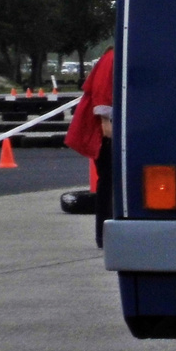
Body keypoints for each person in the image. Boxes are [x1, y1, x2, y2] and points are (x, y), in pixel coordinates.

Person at [65, 48, 115, 246]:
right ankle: (105, 235)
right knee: (109, 182)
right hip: (103, 132)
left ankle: (106, 234)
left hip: (108, 129)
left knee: (110, 182)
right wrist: (106, 124)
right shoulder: (112, 58)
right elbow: (102, 92)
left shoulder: (113, 57)